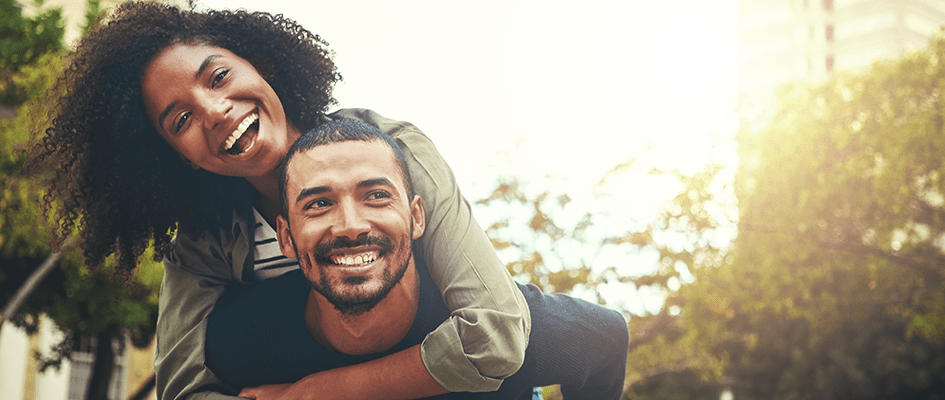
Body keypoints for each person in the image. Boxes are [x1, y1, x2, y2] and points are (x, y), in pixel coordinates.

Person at [28, 2, 532, 399]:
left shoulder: (390, 147)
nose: (215, 111)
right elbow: (184, 390)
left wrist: (321, 392)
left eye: (218, 77)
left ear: (261, 64)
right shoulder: (205, 242)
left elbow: (496, 331)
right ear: (176, 157)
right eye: (180, 120)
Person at [205, 118, 630, 399]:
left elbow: (608, 338)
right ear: (284, 236)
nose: (351, 225)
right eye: (318, 204)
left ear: (417, 216)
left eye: (376, 196)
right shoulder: (240, 342)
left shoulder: (516, 333)